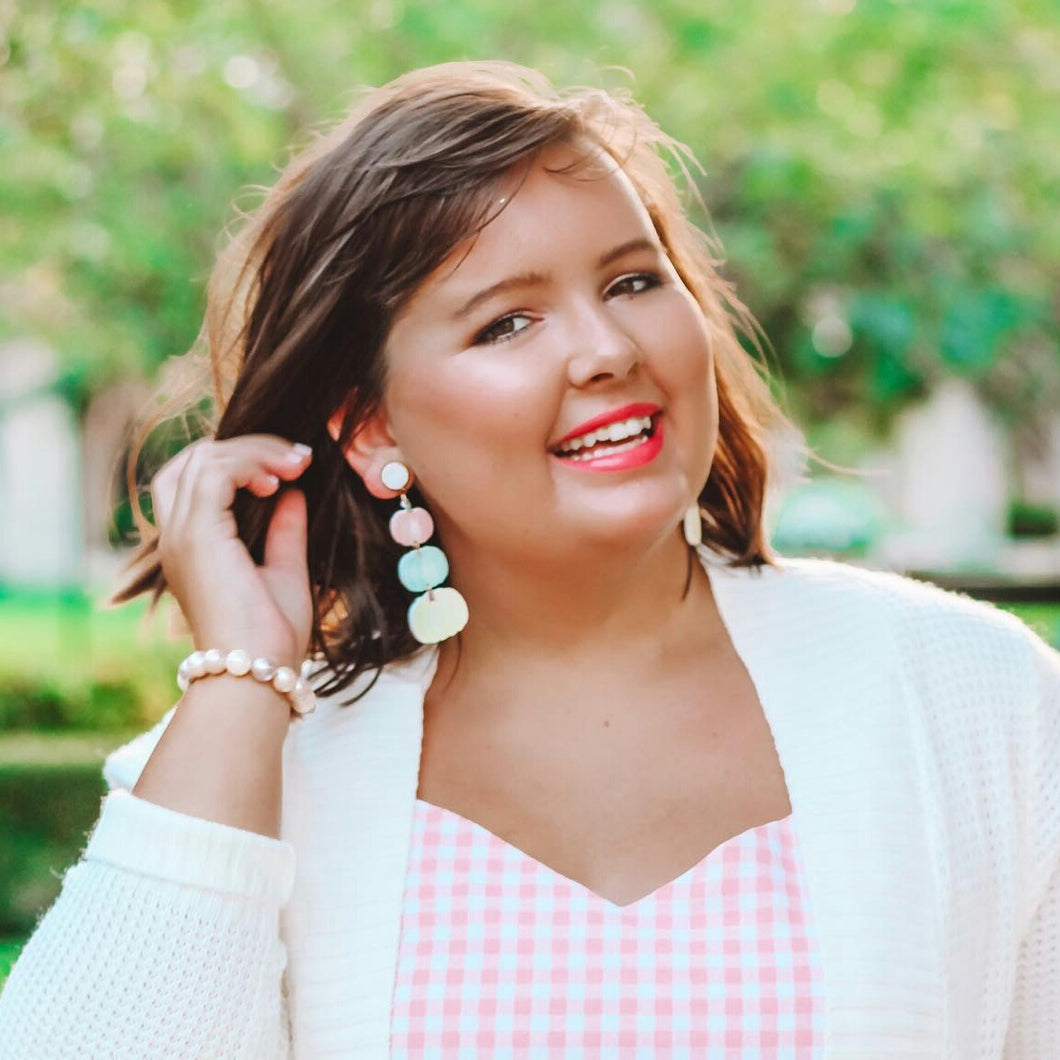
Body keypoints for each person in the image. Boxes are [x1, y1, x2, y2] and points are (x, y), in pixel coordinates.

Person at [0, 61, 1057, 1060]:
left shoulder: (967, 695)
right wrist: (240, 682)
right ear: (371, 430)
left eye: (634, 281)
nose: (606, 348)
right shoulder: (246, 772)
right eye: (507, 322)